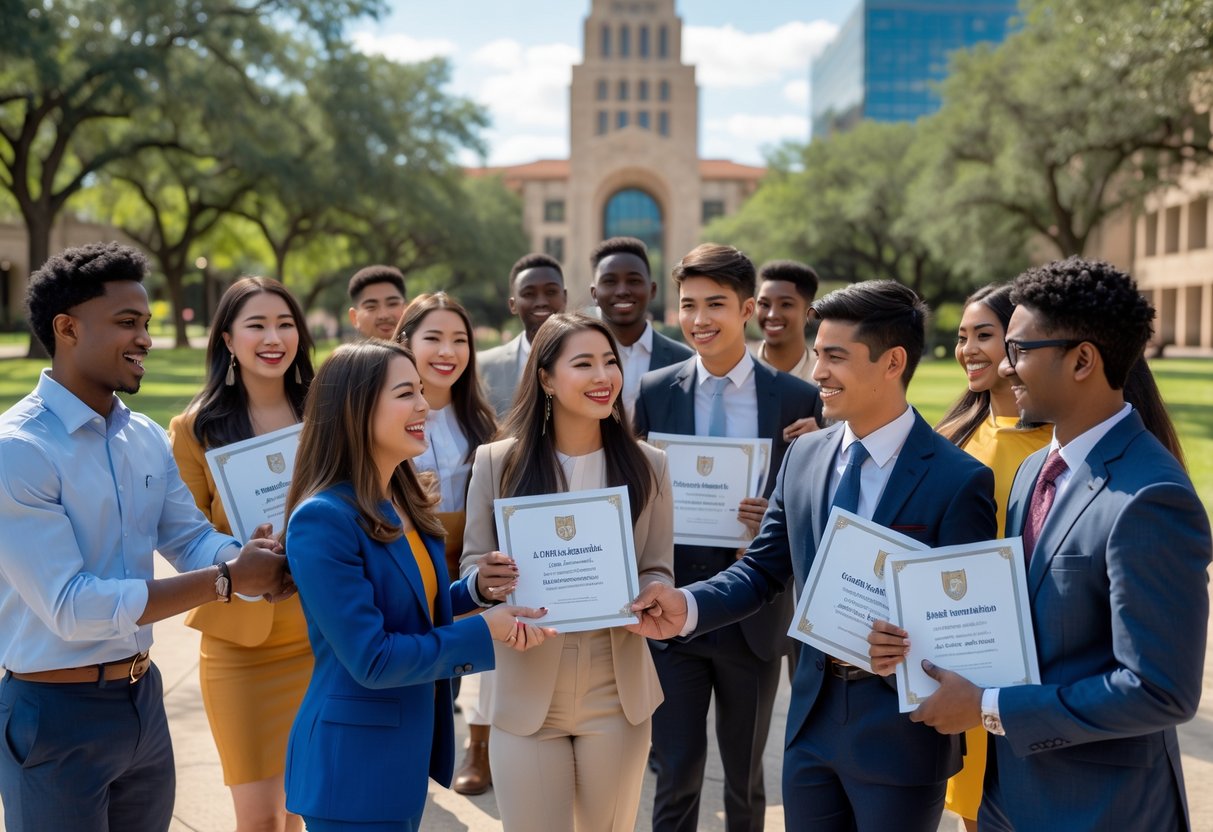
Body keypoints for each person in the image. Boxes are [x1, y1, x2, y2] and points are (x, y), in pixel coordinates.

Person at [631, 279, 998, 832]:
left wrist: (911, 642)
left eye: (834, 356)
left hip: (902, 738)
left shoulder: (959, 479)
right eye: (818, 354)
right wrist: (687, 605)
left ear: (892, 361)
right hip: (810, 728)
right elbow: (761, 569)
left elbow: (968, 622)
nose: (818, 371)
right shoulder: (804, 455)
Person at [871, 258, 1212, 831]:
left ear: (1082, 359)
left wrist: (985, 707)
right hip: (1009, 796)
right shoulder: (1034, 470)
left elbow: (1158, 691)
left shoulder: (1151, 497)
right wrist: (910, 643)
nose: (1005, 367)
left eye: (1020, 349)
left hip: (1101, 809)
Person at [0, 242, 291, 832]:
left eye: (147, 324)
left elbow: (189, 537)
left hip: (143, 702)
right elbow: (72, 607)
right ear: (67, 329)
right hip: (54, 713)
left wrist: (250, 558)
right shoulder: (19, 451)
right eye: (127, 323)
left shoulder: (146, 438)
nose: (146, 339)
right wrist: (228, 581)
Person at [281, 341, 551, 832]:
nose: (425, 405)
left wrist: (474, 592)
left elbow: (407, 612)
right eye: (406, 393)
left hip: (399, 756)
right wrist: (484, 630)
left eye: (422, 391)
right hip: (352, 769)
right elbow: (374, 657)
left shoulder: (398, 497)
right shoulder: (323, 520)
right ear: (355, 409)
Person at [632, 243, 823, 832]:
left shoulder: (796, 398)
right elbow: (634, 500)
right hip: (673, 615)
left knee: (744, 781)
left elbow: (813, 506)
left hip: (754, 619)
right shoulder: (654, 390)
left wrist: (776, 514)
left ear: (746, 309)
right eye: (688, 305)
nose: (699, 319)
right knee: (676, 774)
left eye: (715, 304)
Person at [461, 313, 675, 831]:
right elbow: (472, 563)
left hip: (616, 683)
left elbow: (659, 566)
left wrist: (652, 592)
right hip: (526, 682)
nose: (604, 377)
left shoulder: (650, 464)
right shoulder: (496, 462)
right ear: (546, 379)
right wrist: (485, 581)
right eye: (584, 364)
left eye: (610, 362)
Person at [168, 276, 316, 832]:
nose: (273, 337)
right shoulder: (194, 429)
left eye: (284, 324)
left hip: (320, 636)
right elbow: (184, 538)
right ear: (228, 339)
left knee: (307, 806)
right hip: (240, 646)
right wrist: (245, 562)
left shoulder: (326, 412)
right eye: (256, 325)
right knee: (259, 821)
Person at [933, 283, 1051, 830]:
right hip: (968, 655)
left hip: (1042, 665)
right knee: (974, 806)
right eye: (962, 337)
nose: (969, 350)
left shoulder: (1061, 445)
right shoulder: (951, 438)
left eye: (985, 334)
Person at [393, 292, 498, 795]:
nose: (447, 351)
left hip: (465, 579)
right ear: (405, 342)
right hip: (406, 572)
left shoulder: (481, 420)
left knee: (446, 684)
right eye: (432, 337)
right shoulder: (380, 416)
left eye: (459, 339)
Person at [588, 236, 692, 418]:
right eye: (610, 281)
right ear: (594, 293)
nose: (622, 291)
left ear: (652, 290)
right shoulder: (572, 360)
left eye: (634, 281)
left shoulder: (685, 361)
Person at [478, 253, 568, 415]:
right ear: (513, 305)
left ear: (565, 297)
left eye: (551, 292)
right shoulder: (484, 366)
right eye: (529, 294)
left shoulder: (591, 359)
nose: (541, 302)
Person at [751, 259, 820, 384]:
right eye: (764, 304)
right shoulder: (739, 369)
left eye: (786, 304)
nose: (772, 315)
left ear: (810, 312)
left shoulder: (824, 376)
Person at [348, 265, 407, 340]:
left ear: (407, 309)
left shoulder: (423, 351)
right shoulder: (343, 352)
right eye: (371, 307)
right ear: (354, 317)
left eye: (392, 304)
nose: (384, 315)